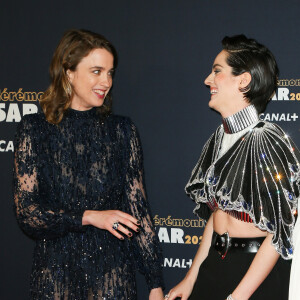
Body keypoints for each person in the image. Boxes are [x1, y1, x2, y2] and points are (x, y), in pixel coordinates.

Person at [13, 29, 164, 300]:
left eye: (110, 72)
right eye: (96, 71)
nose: (106, 81)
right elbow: (28, 213)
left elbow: (138, 208)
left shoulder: (122, 131)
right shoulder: (34, 130)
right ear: (68, 72)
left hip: (111, 276)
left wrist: (155, 283)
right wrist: (90, 216)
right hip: (55, 274)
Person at [166, 35, 300, 300]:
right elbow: (217, 217)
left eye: (217, 71)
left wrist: (239, 296)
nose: (208, 80)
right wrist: (190, 278)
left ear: (244, 80)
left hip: (256, 277)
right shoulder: (218, 137)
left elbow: (279, 235)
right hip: (215, 267)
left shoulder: (268, 141)